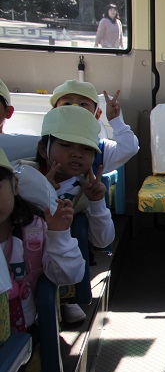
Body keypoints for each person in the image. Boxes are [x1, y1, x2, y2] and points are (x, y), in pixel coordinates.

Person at [0, 148, 84, 372]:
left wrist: (59, 234)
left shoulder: (33, 229)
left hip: (25, 329)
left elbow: (71, 274)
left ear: (14, 186)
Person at [19, 106, 114, 323]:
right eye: (66, 145)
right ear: (44, 149)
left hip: (60, 261)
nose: (77, 153)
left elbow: (103, 241)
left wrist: (97, 203)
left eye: (86, 149)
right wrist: (43, 189)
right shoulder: (24, 175)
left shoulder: (85, 188)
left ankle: (65, 299)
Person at [49, 79, 140, 175]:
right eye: (67, 103)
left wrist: (116, 121)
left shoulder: (102, 149)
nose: (75, 108)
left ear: (97, 114)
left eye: (83, 104)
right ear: (53, 113)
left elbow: (129, 148)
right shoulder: (46, 142)